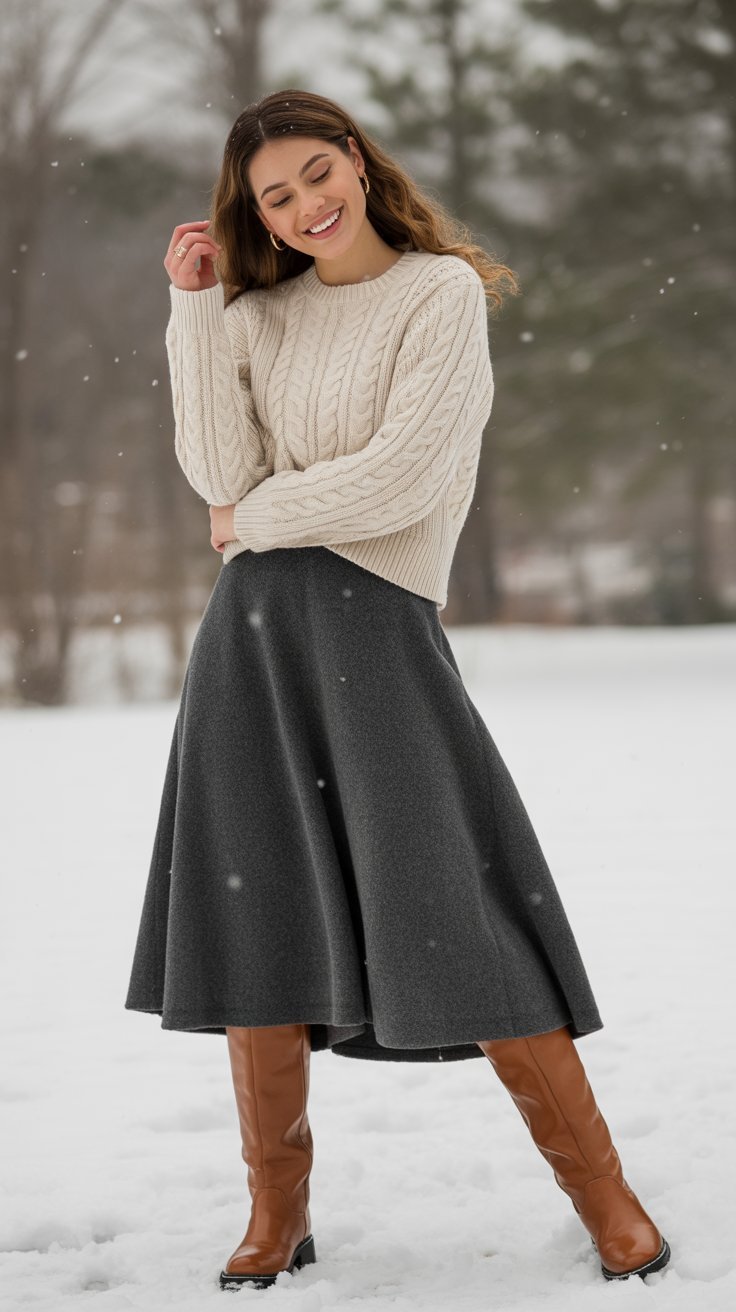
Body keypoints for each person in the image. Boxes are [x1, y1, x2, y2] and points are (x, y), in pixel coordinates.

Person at [124, 88, 671, 1293]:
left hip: (379, 630)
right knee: (255, 908)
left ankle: (608, 1197)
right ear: (255, 212)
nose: (306, 204)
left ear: (357, 164)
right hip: (249, 643)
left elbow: (399, 480)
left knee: (454, 901)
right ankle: (278, 1210)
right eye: (277, 194)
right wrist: (195, 307)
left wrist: (251, 520)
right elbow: (213, 465)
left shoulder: (438, 294)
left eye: (318, 173)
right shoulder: (255, 315)